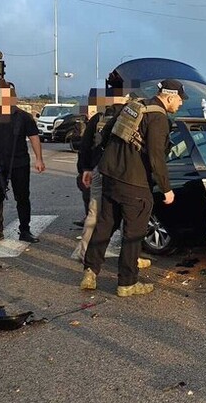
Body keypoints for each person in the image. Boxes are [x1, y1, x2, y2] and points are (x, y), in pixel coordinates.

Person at [81, 79, 185, 297]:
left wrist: (94, 166)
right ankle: (127, 283)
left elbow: (107, 134)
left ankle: (90, 272)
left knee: (105, 224)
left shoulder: (134, 106)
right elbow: (157, 156)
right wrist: (166, 188)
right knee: (133, 234)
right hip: (134, 182)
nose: (181, 103)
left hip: (110, 174)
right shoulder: (158, 118)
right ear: (169, 96)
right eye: (180, 99)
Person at [73, 88, 149, 270]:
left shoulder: (99, 118)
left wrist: (86, 168)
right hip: (122, 174)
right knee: (130, 220)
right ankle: (132, 259)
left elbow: (85, 147)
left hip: (102, 170)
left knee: (97, 215)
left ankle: (86, 255)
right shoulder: (134, 116)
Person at [0, 80, 45, 244]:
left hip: (19, 162)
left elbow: (34, 137)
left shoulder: (23, 116)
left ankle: (25, 230)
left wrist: (39, 159)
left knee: (23, 197)